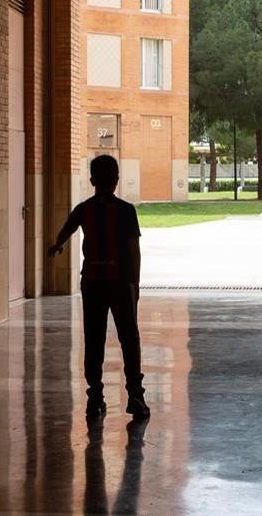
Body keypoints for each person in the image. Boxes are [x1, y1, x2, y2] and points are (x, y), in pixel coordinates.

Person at [49, 155, 150, 419]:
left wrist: (57, 245)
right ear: (116, 180)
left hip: (93, 282)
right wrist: (135, 285)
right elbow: (133, 250)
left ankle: (95, 396)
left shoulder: (85, 209)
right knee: (129, 338)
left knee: (94, 338)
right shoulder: (126, 210)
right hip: (120, 282)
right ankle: (135, 396)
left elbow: (65, 231)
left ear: (92, 180)